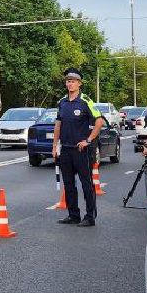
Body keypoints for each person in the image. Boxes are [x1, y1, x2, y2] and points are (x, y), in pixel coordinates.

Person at [51, 68, 103, 227]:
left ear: (79, 83)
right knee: (68, 184)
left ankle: (90, 217)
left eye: (73, 81)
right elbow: (58, 124)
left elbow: (99, 121)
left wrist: (88, 140)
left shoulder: (86, 101)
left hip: (81, 150)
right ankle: (73, 215)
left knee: (86, 184)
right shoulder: (62, 102)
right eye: (68, 81)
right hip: (66, 149)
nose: (70, 84)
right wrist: (54, 146)